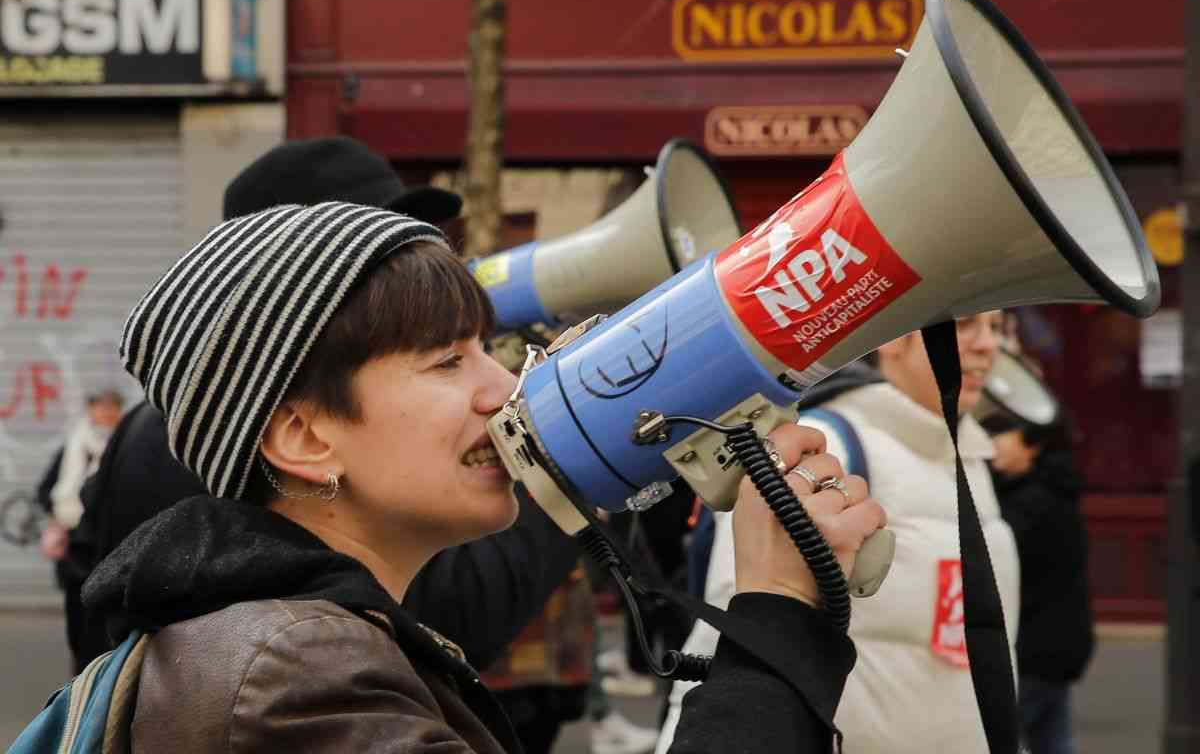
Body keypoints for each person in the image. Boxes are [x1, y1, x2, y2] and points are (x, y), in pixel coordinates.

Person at [81, 201, 885, 752]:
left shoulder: (292, 644)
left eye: (487, 353)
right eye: (445, 362)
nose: (505, 392)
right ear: (305, 436)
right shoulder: (292, 678)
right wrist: (778, 609)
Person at [70, 137, 580, 670]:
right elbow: (462, 611)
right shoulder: (317, 678)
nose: (504, 389)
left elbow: (85, 580)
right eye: (444, 358)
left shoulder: (157, 432)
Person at [657, 312, 1020, 754]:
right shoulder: (822, 449)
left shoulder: (970, 459)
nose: (988, 345)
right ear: (894, 338)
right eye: (964, 325)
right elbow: (736, 641)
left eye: (997, 328)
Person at [984, 409, 1094, 754]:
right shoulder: (1053, 490)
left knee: (1000, 738)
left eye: (1000, 437)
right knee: (1052, 739)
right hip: (1056, 646)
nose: (989, 448)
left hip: (1032, 647)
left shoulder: (1033, 503)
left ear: (1031, 446)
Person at [34, 389, 124, 673]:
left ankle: (101, 675)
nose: (107, 414)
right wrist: (62, 514)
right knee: (78, 617)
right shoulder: (74, 446)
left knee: (106, 619)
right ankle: (81, 676)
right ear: (91, 410)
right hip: (75, 547)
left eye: (113, 408)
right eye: (101, 407)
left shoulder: (123, 449)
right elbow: (45, 489)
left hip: (108, 546)